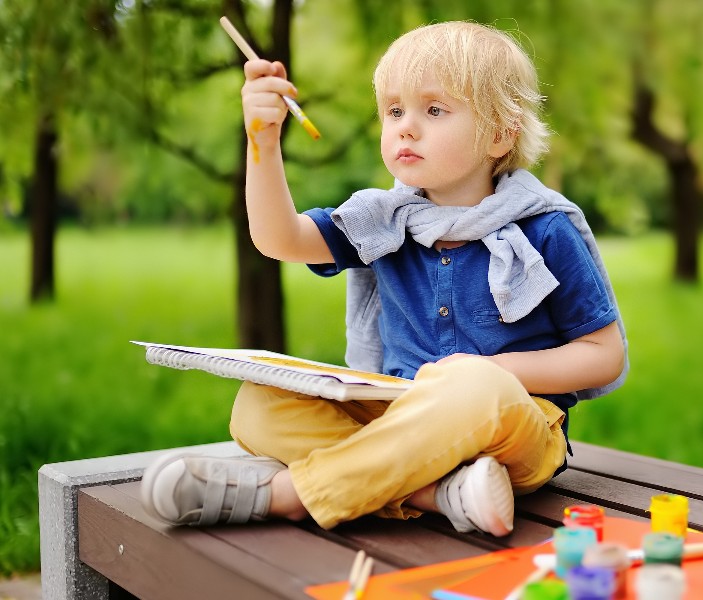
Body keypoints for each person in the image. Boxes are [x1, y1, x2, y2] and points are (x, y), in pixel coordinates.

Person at [140, 21, 627, 537]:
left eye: (434, 110)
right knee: (257, 404)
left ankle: (289, 495)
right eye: (394, 111)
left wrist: (492, 371)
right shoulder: (383, 221)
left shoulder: (541, 226)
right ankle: (436, 493)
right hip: (397, 413)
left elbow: (603, 354)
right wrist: (262, 140)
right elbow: (278, 239)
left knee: (475, 387)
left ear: (501, 133)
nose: (405, 128)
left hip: (516, 429)